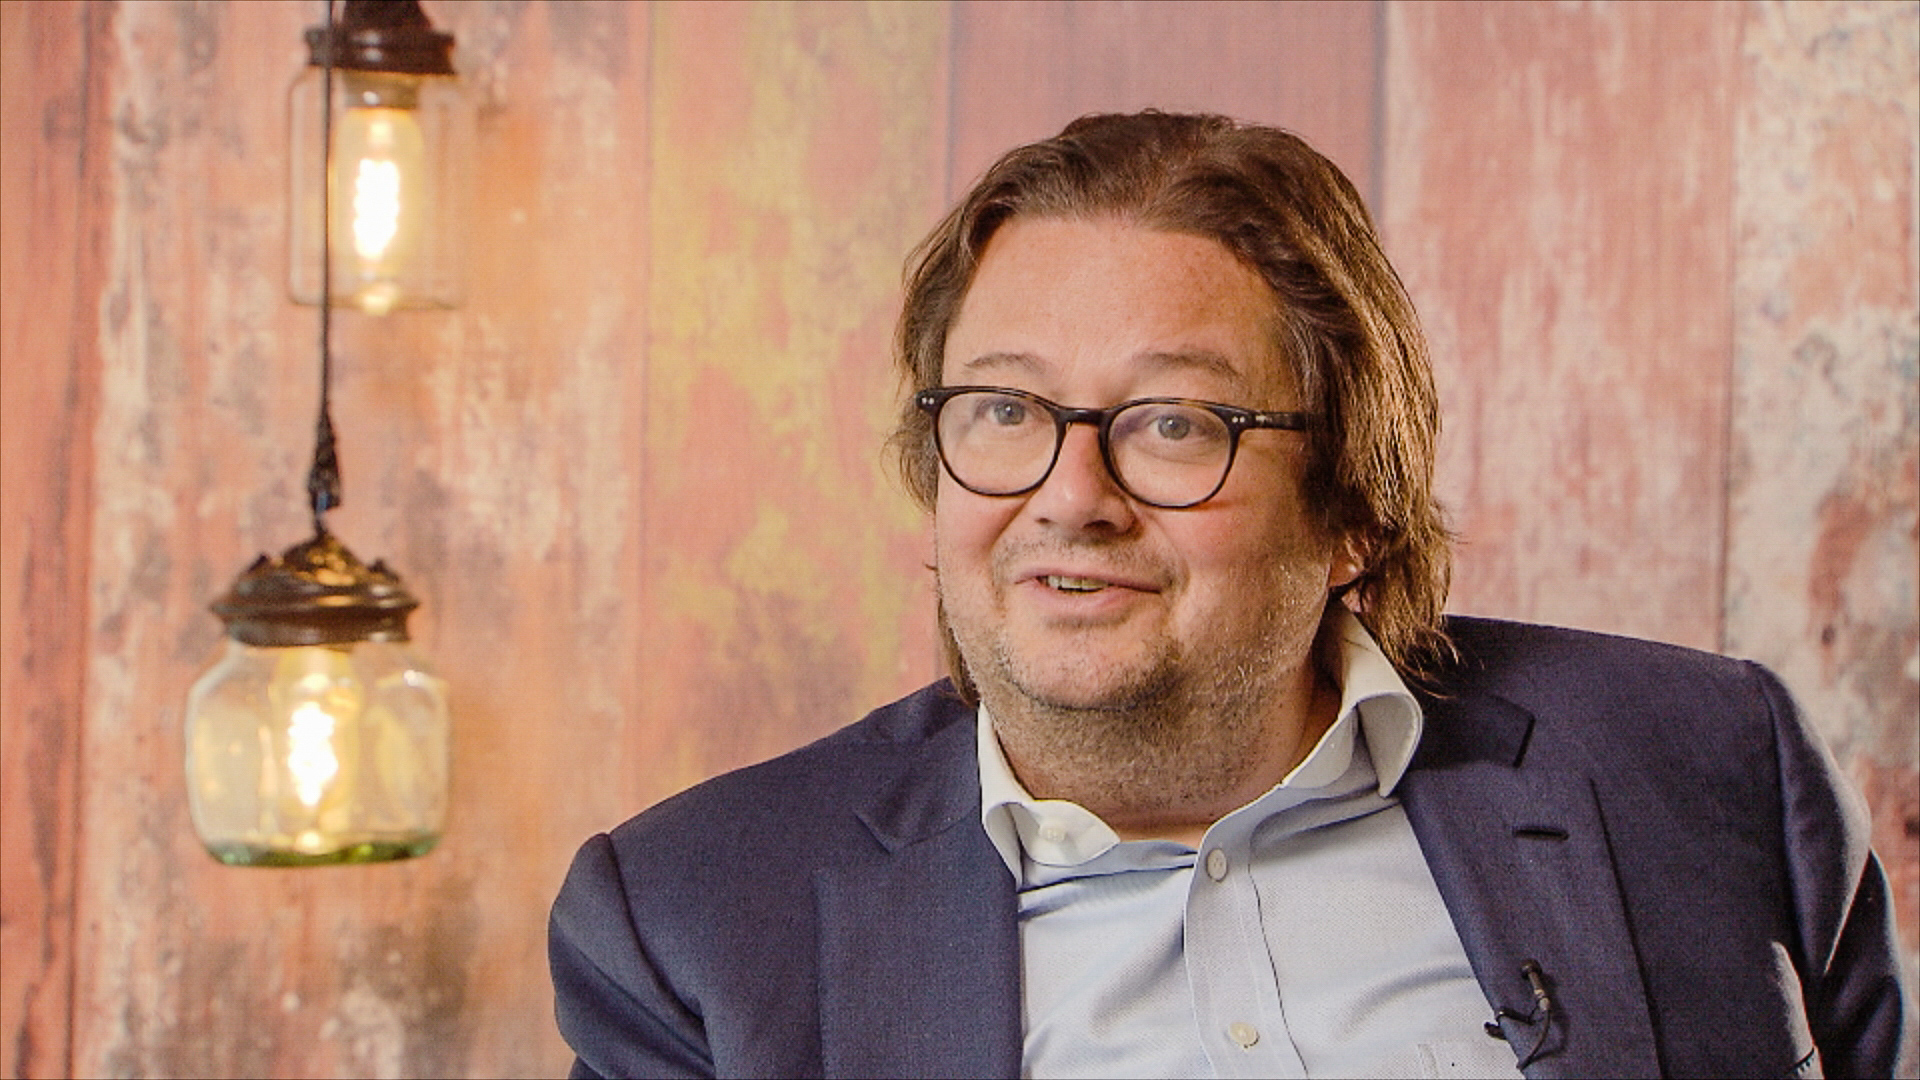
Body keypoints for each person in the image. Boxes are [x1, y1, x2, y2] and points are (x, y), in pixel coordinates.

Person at [548, 112, 1908, 1078]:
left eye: (1174, 424)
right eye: (1007, 409)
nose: (1071, 496)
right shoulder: (692, 921)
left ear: (1353, 511)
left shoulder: (1706, 766)